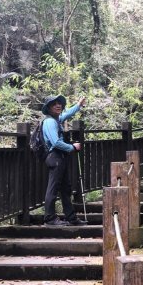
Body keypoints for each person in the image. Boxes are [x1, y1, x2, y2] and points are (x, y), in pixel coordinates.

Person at [41, 94, 88, 226]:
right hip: (55, 157)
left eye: (59, 103)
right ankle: (49, 218)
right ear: (48, 108)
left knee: (65, 189)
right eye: (54, 104)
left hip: (60, 158)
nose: (58, 105)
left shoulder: (56, 119)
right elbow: (55, 142)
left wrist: (78, 105)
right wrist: (72, 147)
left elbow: (66, 114)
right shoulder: (50, 122)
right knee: (53, 188)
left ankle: (71, 218)